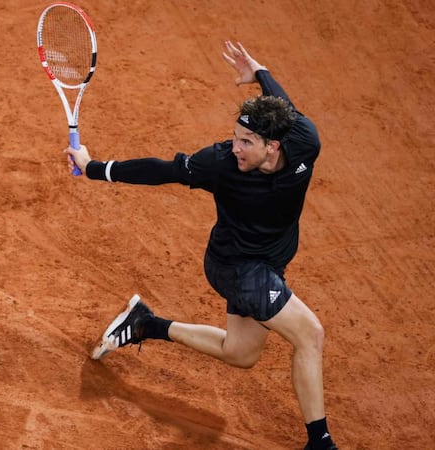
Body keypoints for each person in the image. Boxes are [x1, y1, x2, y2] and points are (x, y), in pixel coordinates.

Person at [65, 41, 337, 450]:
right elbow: (163, 170)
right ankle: (321, 444)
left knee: (240, 353)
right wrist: (94, 167)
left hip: (269, 266)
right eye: (236, 137)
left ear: (274, 146)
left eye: (247, 141)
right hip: (235, 266)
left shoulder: (305, 142)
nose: (236, 147)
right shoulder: (220, 164)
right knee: (309, 335)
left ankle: (145, 324)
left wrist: (260, 71)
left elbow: (284, 105)